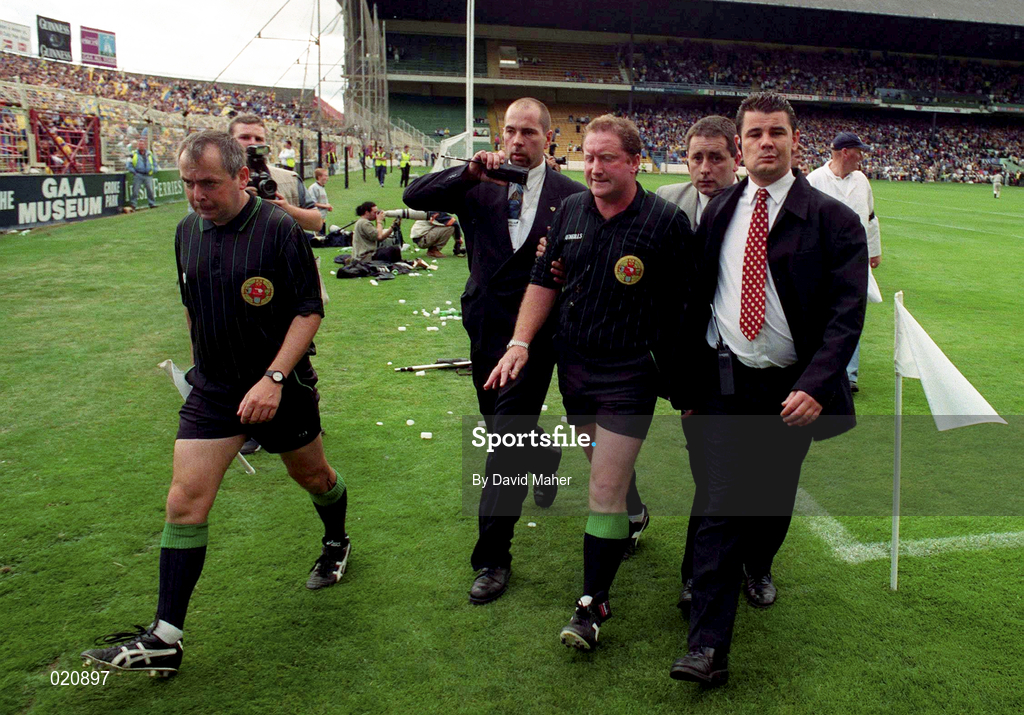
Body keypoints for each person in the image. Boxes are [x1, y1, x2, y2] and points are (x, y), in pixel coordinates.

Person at [79, 130, 350, 677]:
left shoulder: (278, 231)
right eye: (187, 183)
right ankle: (166, 637)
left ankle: (337, 539)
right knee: (183, 503)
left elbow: (307, 310)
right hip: (215, 391)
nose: (197, 195)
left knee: (314, 477)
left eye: (208, 183)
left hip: (281, 388)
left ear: (241, 177)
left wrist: (274, 377)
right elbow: (191, 302)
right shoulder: (185, 231)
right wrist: (202, 365)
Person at [668, 92, 867, 687]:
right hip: (726, 385)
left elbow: (845, 315)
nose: (765, 143)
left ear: (794, 140)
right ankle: (706, 647)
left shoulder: (833, 220)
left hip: (792, 391)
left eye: (776, 132)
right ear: (740, 144)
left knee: (775, 496)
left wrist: (816, 383)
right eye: (754, 134)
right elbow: (696, 297)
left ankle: (760, 564)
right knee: (721, 504)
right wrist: (687, 380)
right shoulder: (720, 209)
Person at [486, 114, 693, 651]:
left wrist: (685, 380)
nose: (595, 167)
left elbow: (685, 307)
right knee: (605, 474)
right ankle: (635, 514)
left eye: (607, 158)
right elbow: (543, 280)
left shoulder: (665, 223)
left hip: (630, 373)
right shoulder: (571, 209)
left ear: (634, 162)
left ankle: (592, 604)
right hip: (574, 368)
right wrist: (520, 343)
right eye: (590, 158)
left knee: (600, 489)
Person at [403, 98, 587, 606]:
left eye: (529, 132)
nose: (518, 140)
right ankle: (544, 455)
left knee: (504, 440)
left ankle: (492, 557)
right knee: (502, 423)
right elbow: (414, 193)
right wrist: (466, 172)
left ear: (549, 139)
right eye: (510, 131)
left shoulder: (571, 195)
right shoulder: (479, 186)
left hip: (536, 335)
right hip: (485, 327)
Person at [807, 131, 882, 394]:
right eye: (859, 152)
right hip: (822, 259)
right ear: (845, 152)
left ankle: (848, 375)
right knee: (824, 315)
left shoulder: (862, 180)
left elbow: (871, 216)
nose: (862, 157)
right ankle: (820, 369)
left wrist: (875, 250)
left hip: (855, 257)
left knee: (852, 313)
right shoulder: (815, 179)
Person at [227, 115, 323, 233]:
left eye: (258, 139)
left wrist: (286, 210)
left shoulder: (290, 179)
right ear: (229, 141)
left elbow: (317, 223)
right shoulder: (217, 180)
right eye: (245, 137)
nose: (253, 143)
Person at [128, 138, 158, 210]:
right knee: (135, 190)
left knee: (150, 190)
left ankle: (152, 203)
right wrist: (134, 172)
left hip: (148, 175)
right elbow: (129, 164)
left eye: (142, 144)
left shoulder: (149, 154)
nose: (141, 146)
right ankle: (133, 205)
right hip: (138, 174)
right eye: (140, 144)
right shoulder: (133, 154)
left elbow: (154, 163)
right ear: (137, 145)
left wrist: (154, 170)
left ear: (145, 145)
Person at [307, 168, 333, 234]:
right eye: (326, 176)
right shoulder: (313, 188)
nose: (327, 178)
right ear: (319, 177)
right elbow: (312, 203)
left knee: (323, 236)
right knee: (318, 238)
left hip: (323, 218)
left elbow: (322, 201)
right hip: (317, 218)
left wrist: (328, 206)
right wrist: (326, 206)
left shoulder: (322, 187)